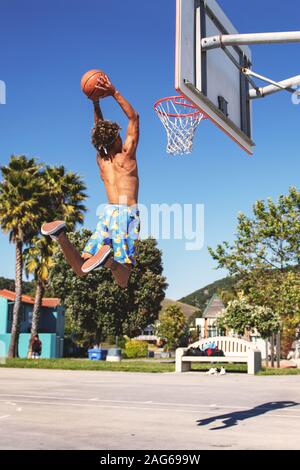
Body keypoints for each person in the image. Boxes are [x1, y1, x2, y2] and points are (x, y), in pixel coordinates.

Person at [42, 74, 140, 288]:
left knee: (81, 268)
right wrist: (114, 92)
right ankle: (110, 263)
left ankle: (60, 236)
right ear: (116, 138)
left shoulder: (101, 160)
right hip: (126, 214)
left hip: (107, 214)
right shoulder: (127, 157)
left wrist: (95, 101)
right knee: (123, 279)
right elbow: (134, 118)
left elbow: (100, 129)